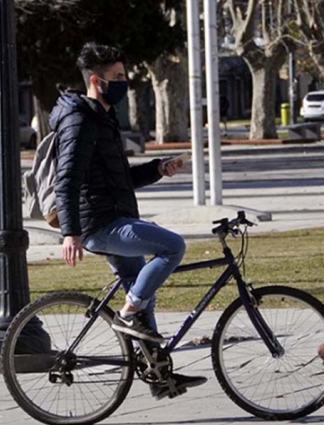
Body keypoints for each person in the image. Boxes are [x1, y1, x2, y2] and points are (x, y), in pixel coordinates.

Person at [49, 42, 207, 400]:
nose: (124, 82)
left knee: (143, 289)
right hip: (99, 225)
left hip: (114, 216)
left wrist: (157, 169)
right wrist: (70, 232)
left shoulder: (102, 117)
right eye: (117, 77)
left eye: (124, 75)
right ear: (95, 80)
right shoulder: (80, 120)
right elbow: (67, 178)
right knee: (172, 246)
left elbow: (119, 179)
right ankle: (127, 313)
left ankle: (159, 376)